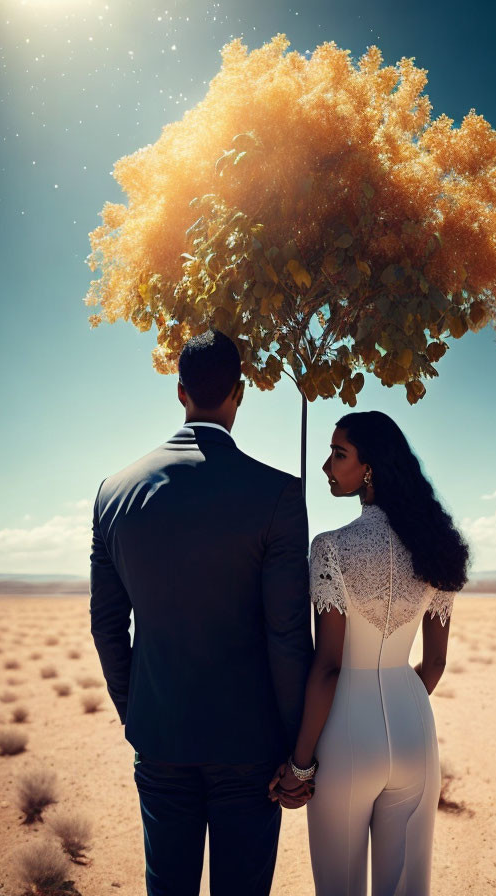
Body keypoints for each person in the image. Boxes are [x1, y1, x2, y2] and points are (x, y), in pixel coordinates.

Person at [89, 330, 314, 896]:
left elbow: (107, 625)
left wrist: (137, 712)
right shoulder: (279, 495)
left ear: (180, 391)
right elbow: (287, 633)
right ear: (239, 394)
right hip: (252, 747)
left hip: (160, 737)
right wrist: (297, 747)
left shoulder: (113, 495)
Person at [270, 410, 470, 895]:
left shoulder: (332, 548)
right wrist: (399, 706)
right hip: (415, 728)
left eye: (339, 454)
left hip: (346, 736)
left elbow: (330, 667)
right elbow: (437, 662)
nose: (326, 466)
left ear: (370, 468)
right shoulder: (436, 548)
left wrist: (299, 767)